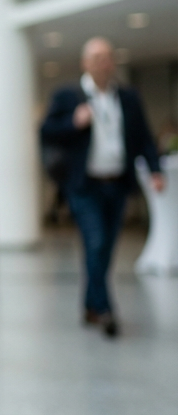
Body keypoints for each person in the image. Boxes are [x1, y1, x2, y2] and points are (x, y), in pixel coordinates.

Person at [40, 37, 166, 337]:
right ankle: (106, 310)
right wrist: (74, 123)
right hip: (85, 186)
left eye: (108, 57)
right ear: (85, 63)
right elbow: (46, 131)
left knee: (105, 249)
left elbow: (144, 138)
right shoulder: (69, 97)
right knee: (95, 243)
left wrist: (155, 170)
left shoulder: (128, 97)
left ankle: (90, 306)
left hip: (117, 185)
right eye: (96, 58)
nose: (103, 63)